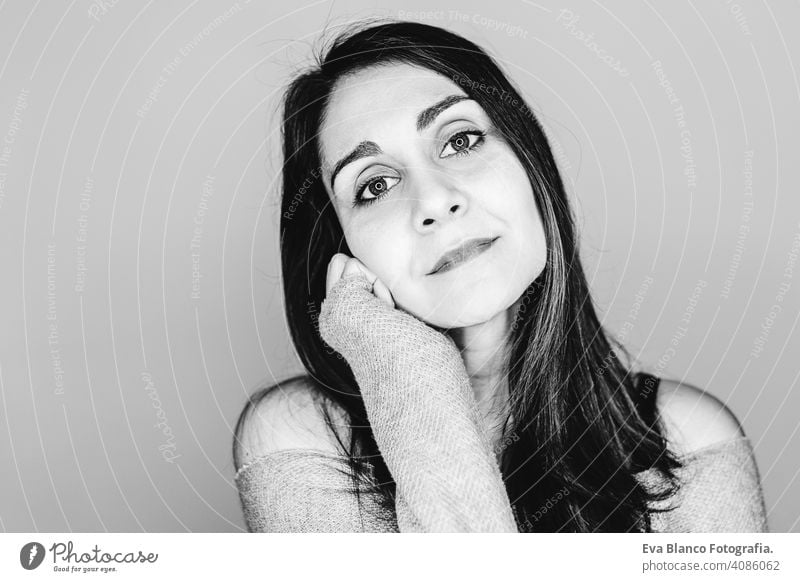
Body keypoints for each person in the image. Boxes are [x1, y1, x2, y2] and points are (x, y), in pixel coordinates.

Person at [232, 20, 768, 532]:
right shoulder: (300, 434)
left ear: (530, 164)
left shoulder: (692, 439)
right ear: (342, 251)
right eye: (374, 186)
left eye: (460, 141)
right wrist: (408, 370)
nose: (437, 201)